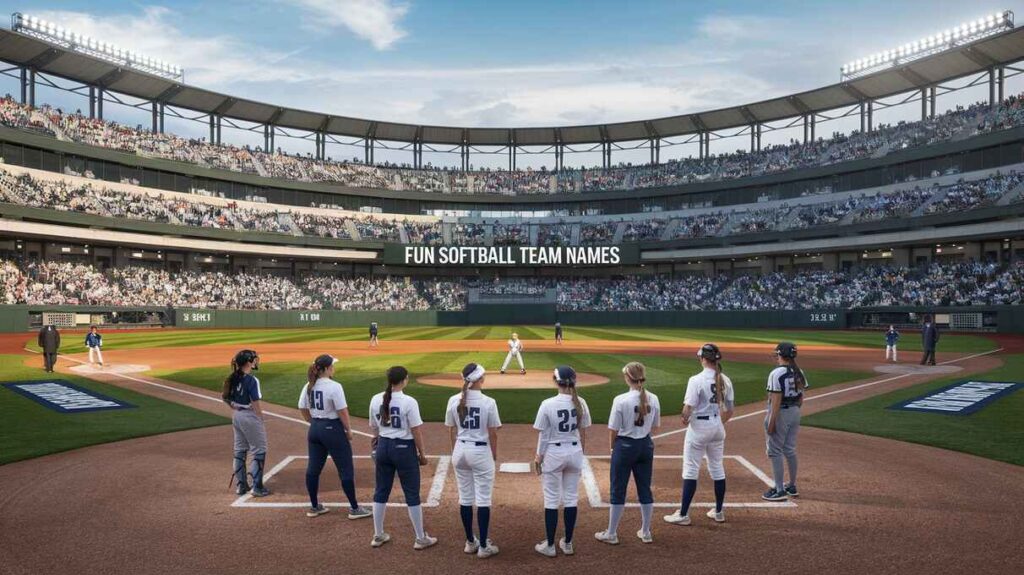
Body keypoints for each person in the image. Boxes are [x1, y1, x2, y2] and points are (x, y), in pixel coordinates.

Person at [665, 344, 735, 525]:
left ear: (703, 359)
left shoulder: (696, 379)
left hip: (699, 428)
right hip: (717, 426)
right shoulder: (725, 379)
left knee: (690, 469)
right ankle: (719, 512)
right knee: (717, 467)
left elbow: (688, 408)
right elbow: (730, 409)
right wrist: (717, 423)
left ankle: (683, 514)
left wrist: (685, 418)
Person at [368, 366, 437, 550]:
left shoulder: (376, 399)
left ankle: (378, 534)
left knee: (381, 490)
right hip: (403, 450)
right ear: (404, 380)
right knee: (412, 493)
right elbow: (416, 431)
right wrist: (422, 454)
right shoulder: (409, 401)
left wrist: (378, 441)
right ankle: (420, 538)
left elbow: (374, 427)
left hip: (383, 447)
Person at [297, 354, 371, 519]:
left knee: (313, 469)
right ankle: (354, 508)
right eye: (332, 366)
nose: (334, 368)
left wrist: (313, 422)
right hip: (332, 430)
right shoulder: (334, 386)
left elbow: (302, 407)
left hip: (315, 429)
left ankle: (315, 506)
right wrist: (349, 429)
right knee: (345, 469)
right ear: (327, 369)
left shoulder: (309, 385)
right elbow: (342, 411)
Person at [595, 361, 660, 545]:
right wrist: (643, 437)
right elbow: (655, 426)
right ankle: (646, 532)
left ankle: (611, 533)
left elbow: (613, 430)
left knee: (618, 489)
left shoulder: (621, 400)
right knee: (645, 489)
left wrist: (612, 448)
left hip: (624, 446)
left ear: (628, 378)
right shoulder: (653, 398)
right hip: (645, 446)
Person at [445, 363, 502, 559]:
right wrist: (493, 455)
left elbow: (451, 429)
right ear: (480, 379)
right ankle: (484, 546)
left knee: (465, 498)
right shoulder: (489, 402)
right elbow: (493, 433)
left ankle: (470, 542)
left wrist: (456, 452)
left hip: (460, 449)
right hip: (480, 451)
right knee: (483, 500)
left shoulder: (453, 400)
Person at [533, 365, 591, 558]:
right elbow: (583, 432)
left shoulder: (547, 404)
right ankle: (567, 543)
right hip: (575, 451)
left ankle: (549, 545)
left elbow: (544, 434)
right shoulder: (580, 402)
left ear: (555, 381)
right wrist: (580, 453)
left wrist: (538, 456)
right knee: (571, 498)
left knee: (551, 499)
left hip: (554, 453)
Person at [221, 349, 270, 497]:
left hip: (237, 416)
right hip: (250, 417)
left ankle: (241, 486)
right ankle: (257, 487)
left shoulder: (231, 378)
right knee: (259, 450)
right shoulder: (252, 380)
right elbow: (255, 402)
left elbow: (224, 397)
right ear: (249, 362)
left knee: (240, 450)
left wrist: (233, 407)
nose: (256, 361)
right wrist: (260, 419)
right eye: (254, 359)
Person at [762, 342, 807, 502]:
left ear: (780, 355)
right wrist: (793, 412)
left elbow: (776, 399)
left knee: (774, 451)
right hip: (795, 412)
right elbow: (801, 397)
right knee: (789, 449)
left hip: (780, 412)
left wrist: (772, 421)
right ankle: (792, 486)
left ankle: (780, 490)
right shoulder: (799, 371)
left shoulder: (777, 373)